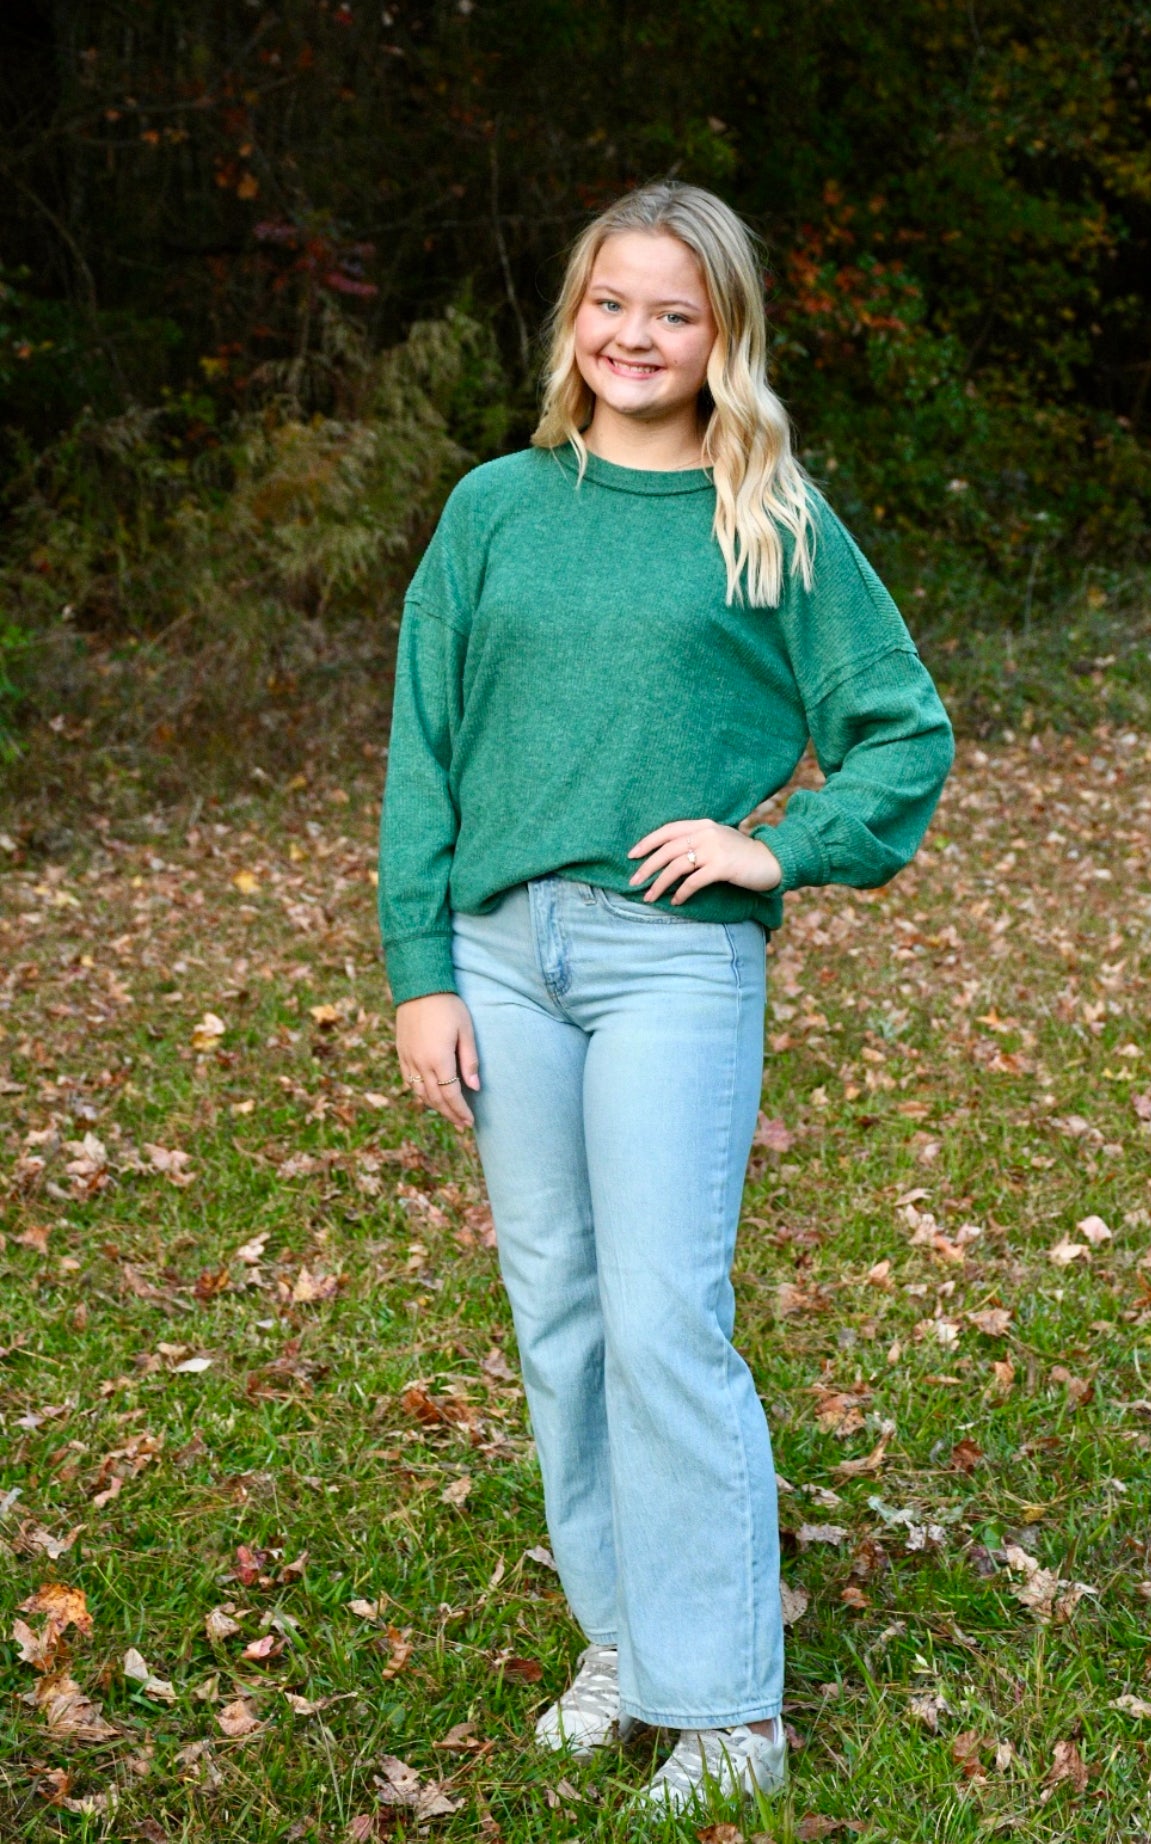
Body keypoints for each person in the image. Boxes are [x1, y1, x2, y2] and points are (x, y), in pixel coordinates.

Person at [377, 178, 955, 1815]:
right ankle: (624, 1641)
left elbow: (899, 727)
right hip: (500, 956)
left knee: (660, 1319)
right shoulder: (494, 507)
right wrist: (420, 970)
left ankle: (724, 1713)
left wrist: (780, 845)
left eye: (673, 312)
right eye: (609, 303)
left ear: (723, 337)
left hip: (668, 961)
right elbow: (423, 746)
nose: (634, 335)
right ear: (575, 317)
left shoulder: (767, 514)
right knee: (558, 1316)